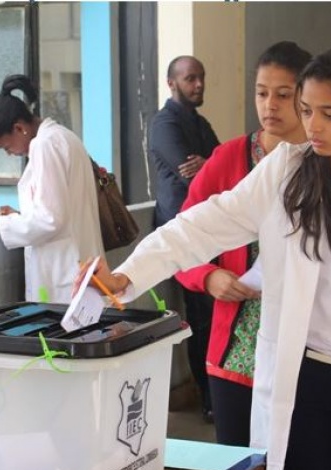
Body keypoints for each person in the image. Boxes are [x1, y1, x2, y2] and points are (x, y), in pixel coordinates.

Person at [77, 47, 331, 470]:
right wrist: (128, 274)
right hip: (308, 374)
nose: (313, 126)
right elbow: (204, 224)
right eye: (307, 110)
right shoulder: (286, 170)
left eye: (330, 114)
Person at [174, 41, 311, 446]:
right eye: (262, 92)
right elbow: (183, 232)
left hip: (304, 349)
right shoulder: (229, 158)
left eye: (284, 95)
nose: (270, 105)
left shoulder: (323, 162)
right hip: (235, 347)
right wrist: (208, 276)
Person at [0, 75, 103, 304]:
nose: (9, 154)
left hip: (66, 275)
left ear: (19, 128)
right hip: (78, 265)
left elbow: (51, 219)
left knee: (64, 338)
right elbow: (60, 209)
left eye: (6, 146)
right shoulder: (63, 136)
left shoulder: (45, 145)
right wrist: (20, 217)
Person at [148, 56, 220, 421]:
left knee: (212, 314)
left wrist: (207, 163)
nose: (198, 84)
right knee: (201, 317)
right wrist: (210, 166)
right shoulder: (164, 125)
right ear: (171, 83)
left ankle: (215, 395)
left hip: (207, 230)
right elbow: (198, 179)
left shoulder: (200, 123)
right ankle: (209, 399)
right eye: (191, 78)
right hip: (182, 233)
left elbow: (223, 173)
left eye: (201, 77)